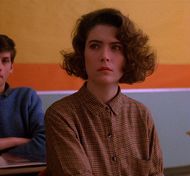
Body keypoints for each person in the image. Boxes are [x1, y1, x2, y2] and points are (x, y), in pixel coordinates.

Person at [45, 8, 164, 176]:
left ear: (128, 56)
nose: (105, 56)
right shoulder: (61, 115)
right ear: (82, 54)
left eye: (116, 47)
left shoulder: (141, 114)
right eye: (95, 46)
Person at [0, 34, 45, 162]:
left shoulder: (26, 97)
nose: (0, 67)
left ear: (11, 67)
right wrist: (17, 141)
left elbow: (48, 144)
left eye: (5, 60)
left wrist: (3, 160)